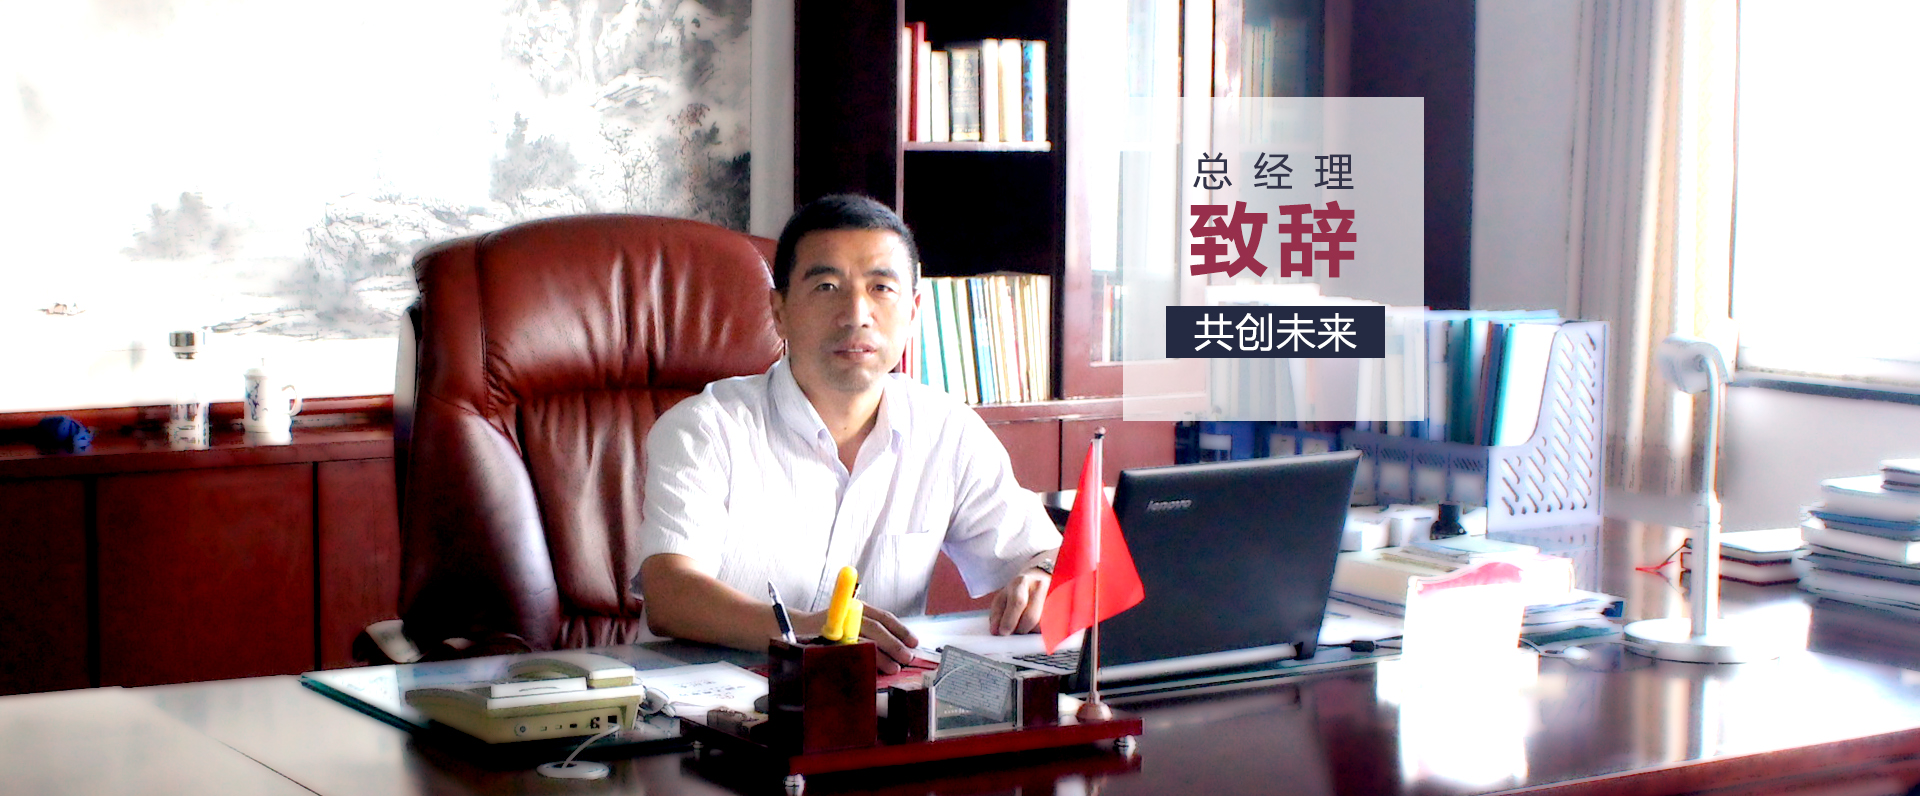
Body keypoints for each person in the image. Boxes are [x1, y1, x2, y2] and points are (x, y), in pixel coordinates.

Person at [633, 194, 1062, 673]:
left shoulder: (947, 431)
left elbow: (1047, 555)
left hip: (872, 704)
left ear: (913, 310)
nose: (856, 313)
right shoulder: (706, 429)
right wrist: (809, 632)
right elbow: (670, 593)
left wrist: (1042, 574)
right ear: (779, 311)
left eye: (881, 288)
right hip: (709, 702)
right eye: (827, 286)